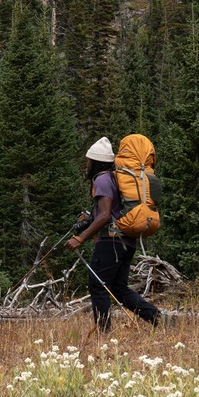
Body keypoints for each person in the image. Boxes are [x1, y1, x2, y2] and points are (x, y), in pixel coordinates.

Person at [64, 137, 163, 332]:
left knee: (98, 284)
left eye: (89, 161)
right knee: (118, 288)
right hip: (126, 240)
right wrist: (89, 217)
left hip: (110, 241)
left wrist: (80, 238)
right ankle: (157, 318)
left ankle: (104, 332)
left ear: (96, 162)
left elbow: (105, 216)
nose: (87, 165)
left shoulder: (101, 179)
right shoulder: (115, 178)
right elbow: (109, 212)